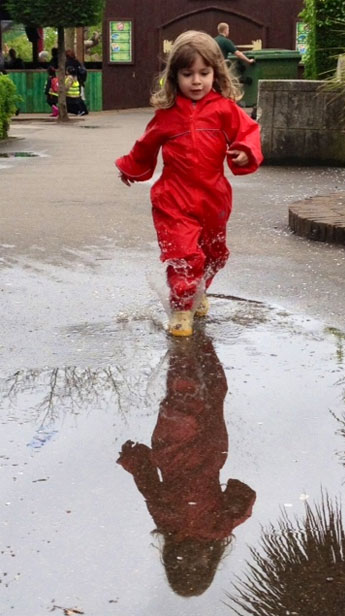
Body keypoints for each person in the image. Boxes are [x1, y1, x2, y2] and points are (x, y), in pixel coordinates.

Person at [115, 30, 263, 337]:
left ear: (216, 74)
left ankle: (197, 291)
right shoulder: (167, 116)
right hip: (173, 198)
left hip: (213, 198)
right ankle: (182, 309)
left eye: (204, 73)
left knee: (213, 254)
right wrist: (130, 167)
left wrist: (244, 152)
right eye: (187, 74)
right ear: (174, 77)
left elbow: (248, 132)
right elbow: (145, 146)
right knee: (184, 255)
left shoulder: (224, 109)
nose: (196, 81)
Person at [117, 331, 256, 596]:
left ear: (172, 560)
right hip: (198, 448)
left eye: (185, 565)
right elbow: (244, 499)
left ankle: (184, 341)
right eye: (198, 566)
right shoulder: (214, 528)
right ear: (210, 563)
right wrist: (136, 459)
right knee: (211, 392)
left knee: (186, 396)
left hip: (182, 449)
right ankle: (197, 340)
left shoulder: (175, 523)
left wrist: (134, 459)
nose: (192, 560)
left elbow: (148, 485)